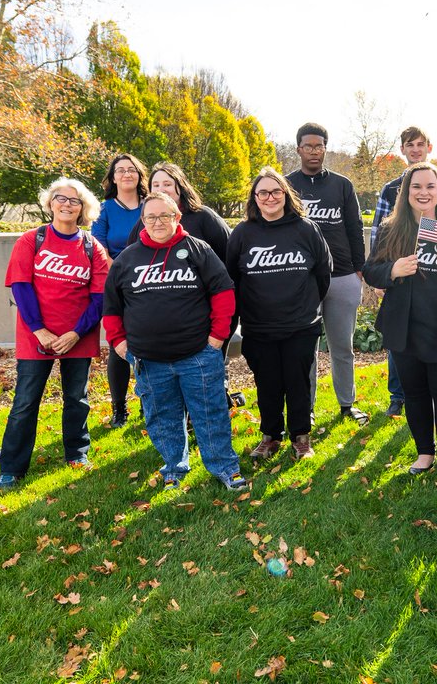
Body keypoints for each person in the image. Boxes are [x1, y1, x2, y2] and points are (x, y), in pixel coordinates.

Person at [102, 192, 246, 490]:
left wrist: (218, 337)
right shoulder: (128, 258)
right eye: (150, 217)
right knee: (162, 417)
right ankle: (174, 467)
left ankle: (224, 467)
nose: (157, 222)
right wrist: (118, 341)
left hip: (198, 354)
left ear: (176, 217)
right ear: (142, 221)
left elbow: (223, 292)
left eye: (164, 216)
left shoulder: (198, 250)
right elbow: (112, 306)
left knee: (210, 413)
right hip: (148, 359)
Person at [364, 162, 437, 479]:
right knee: (414, 394)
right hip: (406, 329)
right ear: (406, 192)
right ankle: (424, 453)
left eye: (430, 186)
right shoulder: (392, 229)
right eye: (417, 187)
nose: (424, 192)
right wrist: (392, 270)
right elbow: (372, 270)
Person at [0, 178, 110, 491]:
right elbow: (21, 286)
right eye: (61, 198)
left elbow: (99, 297)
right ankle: (12, 467)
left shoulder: (91, 247)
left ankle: (77, 452)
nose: (67, 205)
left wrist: (76, 332)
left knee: (77, 398)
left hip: (79, 335)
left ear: (83, 208)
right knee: (25, 401)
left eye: (74, 201)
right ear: (50, 203)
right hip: (37, 337)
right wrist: (39, 330)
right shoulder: (31, 240)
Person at [226, 168, 332, 461]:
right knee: (267, 383)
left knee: (298, 382)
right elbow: (231, 277)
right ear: (255, 198)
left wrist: (307, 305)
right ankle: (270, 436)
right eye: (263, 192)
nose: (270, 197)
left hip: (300, 324)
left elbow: (323, 272)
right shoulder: (243, 233)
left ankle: (301, 437)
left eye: (276, 191)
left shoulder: (306, 229)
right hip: (259, 326)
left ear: (286, 195)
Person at [371, 126, 437, 418]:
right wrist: (388, 270)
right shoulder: (391, 189)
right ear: (402, 149)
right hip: (404, 286)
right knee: (401, 342)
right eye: (409, 145)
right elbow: (380, 233)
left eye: (420, 144)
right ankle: (399, 395)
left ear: (429, 147)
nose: (415, 149)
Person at [285, 122, 369, 425]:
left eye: (319, 145)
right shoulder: (286, 185)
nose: (313, 151)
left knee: (342, 346)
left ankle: (347, 404)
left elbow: (354, 228)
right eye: (307, 146)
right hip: (302, 279)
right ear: (298, 149)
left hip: (342, 275)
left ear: (325, 148)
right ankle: (305, 407)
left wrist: (359, 269)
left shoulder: (342, 185)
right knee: (306, 348)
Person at [92, 153, 147, 428]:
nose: (127, 174)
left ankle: (149, 403)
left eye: (132, 170)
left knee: (151, 343)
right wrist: (124, 271)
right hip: (116, 282)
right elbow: (98, 247)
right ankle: (119, 408)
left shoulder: (150, 205)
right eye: (120, 170)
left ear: (139, 175)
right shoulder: (104, 210)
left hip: (152, 280)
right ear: (113, 178)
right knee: (119, 346)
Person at [127, 162, 231, 265]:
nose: (161, 190)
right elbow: (130, 258)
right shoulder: (144, 222)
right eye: (156, 185)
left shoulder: (204, 216)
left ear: (181, 187)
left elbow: (230, 254)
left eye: (167, 184)